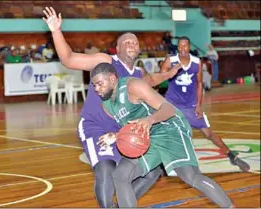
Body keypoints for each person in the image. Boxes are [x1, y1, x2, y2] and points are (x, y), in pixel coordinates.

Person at [42, 7, 180, 208]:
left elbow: (154, 79)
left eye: (135, 41)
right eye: (127, 41)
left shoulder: (139, 74)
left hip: (122, 131)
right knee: (105, 169)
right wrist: (56, 30)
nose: (132, 43)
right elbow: (69, 59)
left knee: (153, 170)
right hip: (95, 126)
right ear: (118, 48)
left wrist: (170, 73)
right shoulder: (105, 61)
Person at [91, 62, 234, 208]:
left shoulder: (132, 86)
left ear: (112, 78)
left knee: (190, 176)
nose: (96, 89)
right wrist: (116, 135)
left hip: (169, 127)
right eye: (94, 85)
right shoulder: (107, 105)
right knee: (120, 175)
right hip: (147, 137)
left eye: (100, 84)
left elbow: (168, 109)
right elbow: (131, 127)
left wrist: (150, 120)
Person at [161, 36, 250, 172]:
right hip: (172, 103)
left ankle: (232, 156)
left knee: (209, 134)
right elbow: (160, 77)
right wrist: (169, 74)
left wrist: (199, 105)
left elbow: (200, 84)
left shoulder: (197, 62)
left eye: (185, 45)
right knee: (162, 131)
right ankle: (160, 165)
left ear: (189, 47)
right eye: (180, 46)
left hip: (190, 105)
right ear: (177, 47)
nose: (183, 48)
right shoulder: (170, 61)